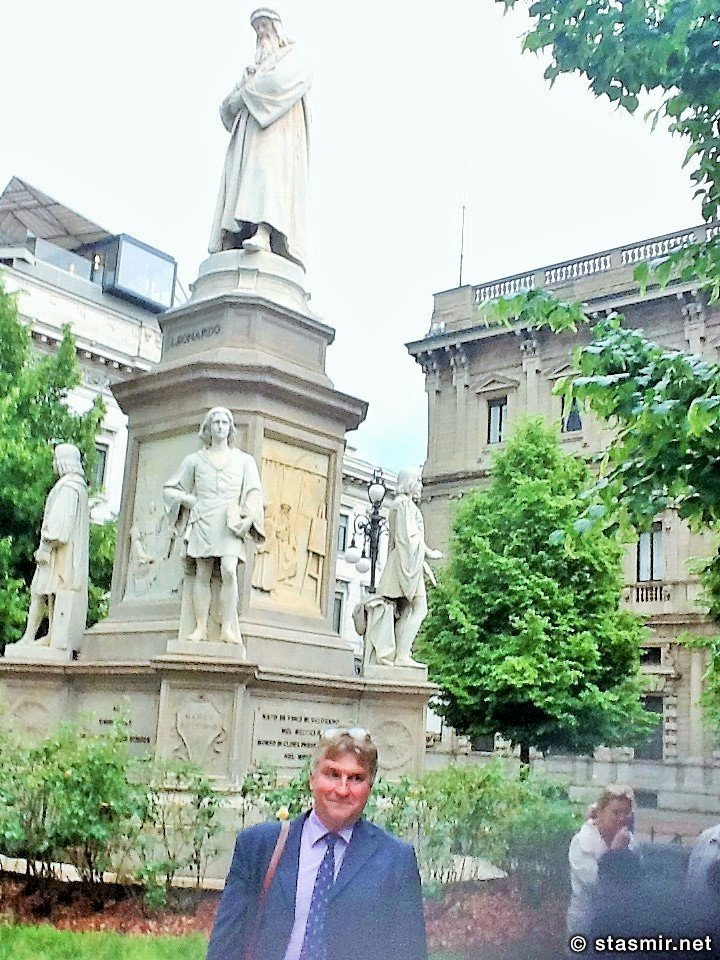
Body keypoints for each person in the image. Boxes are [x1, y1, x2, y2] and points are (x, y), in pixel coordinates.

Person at [207, 728, 428, 960]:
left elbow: (409, 952)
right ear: (312, 779)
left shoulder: (396, 860)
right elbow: (225, 947)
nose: (342, 790)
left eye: (356, 778)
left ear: (369, 787)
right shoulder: (258, 847)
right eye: (332, 774)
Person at [208, 8, 312, 269]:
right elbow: (226, 107)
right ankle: (235, 234)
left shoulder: (294, 56)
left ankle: (264, 233)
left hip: (276, 135)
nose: (261, 33)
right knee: (241, 180)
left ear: (276, 27)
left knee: (268, 179)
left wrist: (245, 94)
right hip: (247, 138)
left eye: (264, 26)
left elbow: (277, 84)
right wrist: (242, 94)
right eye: (256, 29)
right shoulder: (254, 69)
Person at [164, 407, 265, 644]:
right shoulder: (194, 460)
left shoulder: (244, 461)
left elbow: (253, 492)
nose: (220, 427)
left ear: (231, 428)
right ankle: (200, 627)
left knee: (229, 569)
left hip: (229, 520)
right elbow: (170, 489)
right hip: (203, 518)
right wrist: (188, 499)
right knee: (203, 572)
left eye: (224, 422)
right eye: (216, 422)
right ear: (208, 428)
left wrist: (249, 518)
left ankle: (227, 628)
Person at [15, 443, 89, 651]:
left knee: (39, 592)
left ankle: (31, 637)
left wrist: (46, 545)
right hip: (64, 554)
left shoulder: (68, 487)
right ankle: (50, 636)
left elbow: (59, 525)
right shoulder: (77, 487)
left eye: (56, 459)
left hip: (57, 554)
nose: (54, 463)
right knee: (49, 594)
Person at [368, 468, 442, 667]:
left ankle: (400, 654)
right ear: (409, 482)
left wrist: (425, 556)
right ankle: (401, 655)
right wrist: (427, 555)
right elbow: (407, 537)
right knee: (419, 608)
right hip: (404, 562)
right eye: (418, 481)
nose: (421, 486)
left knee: (407, 609)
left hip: (406, 560)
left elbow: (410, 538)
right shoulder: (402, 504)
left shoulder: (404, 504)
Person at [567, 785, 635, 939]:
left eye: (626, 813)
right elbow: (597, 884)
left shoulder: (629, 841)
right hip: (586, 925)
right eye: (616, 812)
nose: (622, 818)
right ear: (600, 812)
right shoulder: (582, 842)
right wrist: (614, 853)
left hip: (619, 924)